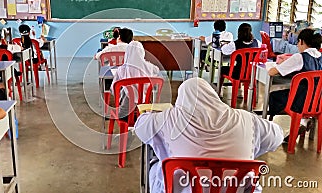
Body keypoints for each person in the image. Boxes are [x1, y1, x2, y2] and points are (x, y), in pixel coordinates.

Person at [134, 78, 284, 193]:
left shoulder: (167, 119)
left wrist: (152, 115)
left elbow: (140, 128)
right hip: (235, 189)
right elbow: (277, 136)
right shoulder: (247, 119)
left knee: (155, 163)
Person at [268, 28, 322, 139]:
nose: (297, 45)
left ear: (302, 41)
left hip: (300, 101)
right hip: (318, 102)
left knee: (274, 96)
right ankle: (304, 120)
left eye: (298, 42)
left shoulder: (299, 57)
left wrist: (283, 64)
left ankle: (297, 121)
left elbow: (272, 72)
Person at [111, 41, 160, 122]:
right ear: (142, 52)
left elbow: (114, 89)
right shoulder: (150, 67)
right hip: (145, 110)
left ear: (127, 53)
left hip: (126, 112)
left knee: (124, 92)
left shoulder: (121, 69)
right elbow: (157, 70)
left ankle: (128, 127)